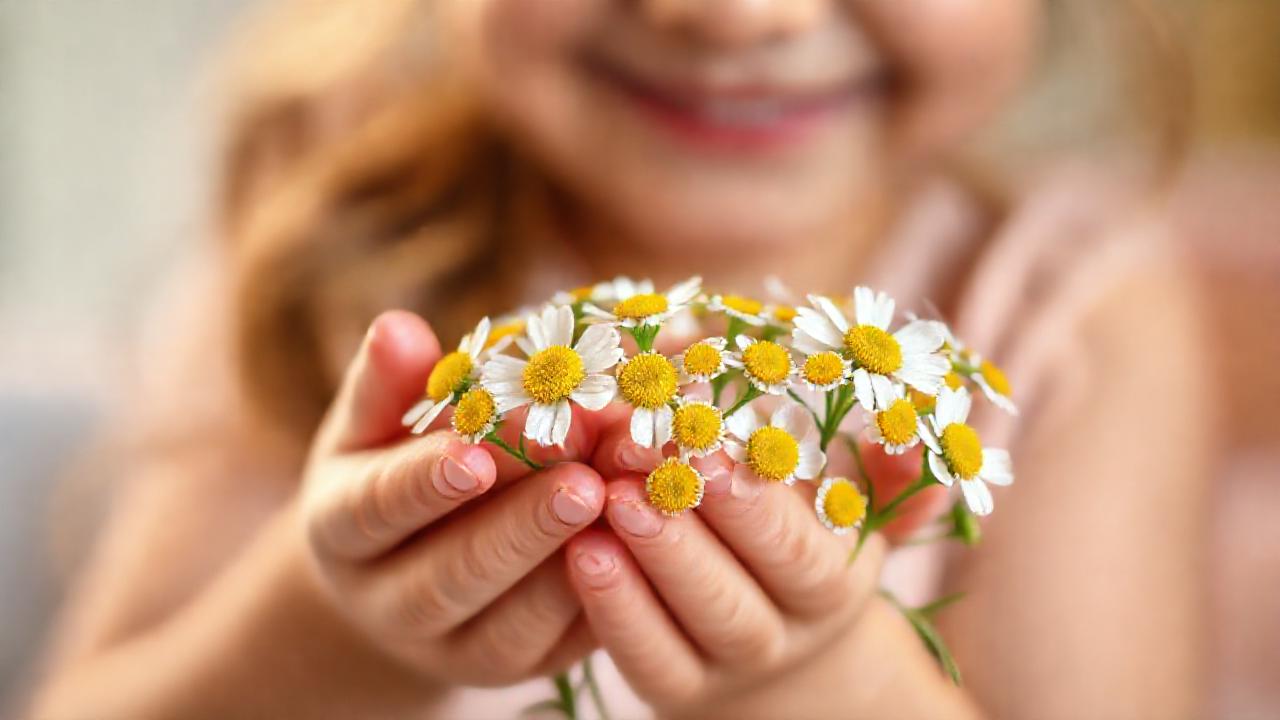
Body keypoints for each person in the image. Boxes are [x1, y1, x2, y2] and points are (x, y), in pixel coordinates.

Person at [29, 1, 1211, 718]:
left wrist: (805, 683)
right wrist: (338, 628)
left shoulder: (1070, 322)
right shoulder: (338, 243)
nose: (738, 16)